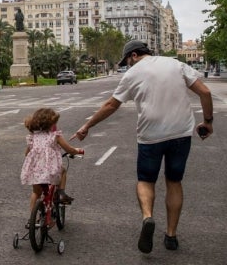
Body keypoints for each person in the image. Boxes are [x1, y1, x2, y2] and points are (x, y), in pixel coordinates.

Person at [71, 40, 213, 254]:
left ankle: (147, 217)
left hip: (150, 136)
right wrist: (208, 122)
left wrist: (87, 125)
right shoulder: (175, 64)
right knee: (174, 182)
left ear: (134, 55)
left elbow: (111, 105)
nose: (127, 65)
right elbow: (205, 93)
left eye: (127, 61)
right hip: (180, 134)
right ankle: (171, 236)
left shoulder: (132, 74)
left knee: (146, 181)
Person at [21, 108, 84, 217]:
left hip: (35, 170)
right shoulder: (55, 136)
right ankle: (61, 193)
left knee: (36, 192)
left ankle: (32, 218)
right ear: (51, 124)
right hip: (51, 170)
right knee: (63, 171)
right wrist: (78, 150)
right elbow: (69, 150)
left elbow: (27, 153)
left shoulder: (33, 137)